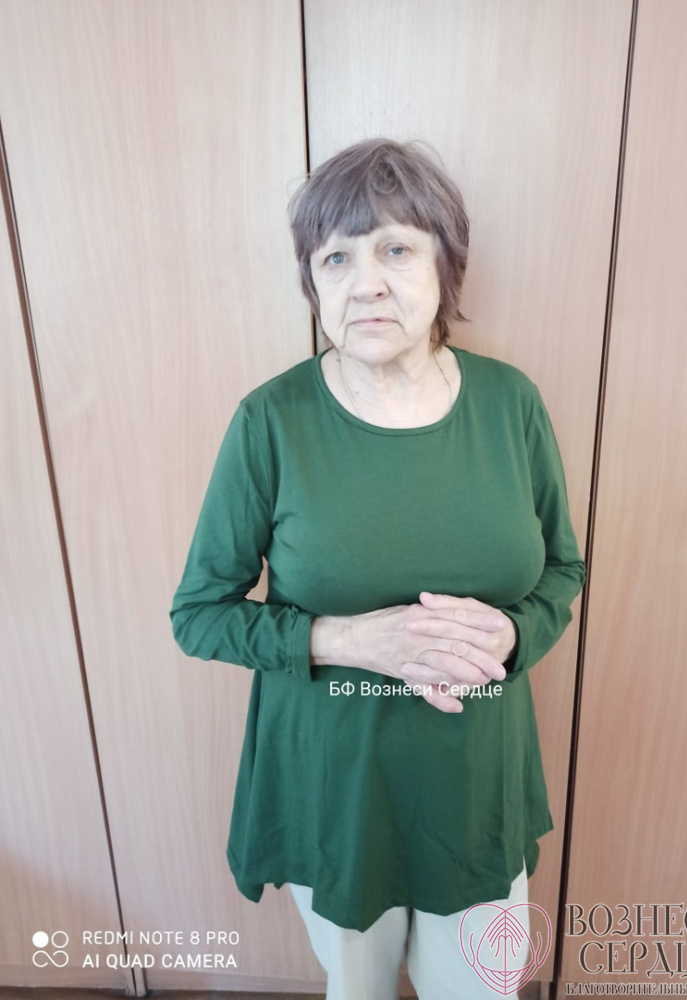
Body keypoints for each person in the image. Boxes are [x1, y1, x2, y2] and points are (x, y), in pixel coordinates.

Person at [170, 138, 585, 1000]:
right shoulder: (271, 422)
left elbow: (563, 571)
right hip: (338, 798)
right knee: (356, 988)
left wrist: (512, 636)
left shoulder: (512, 404)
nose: (365, 284)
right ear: (313, 283)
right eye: (336, 259)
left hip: (476, 790)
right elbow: (199, 613)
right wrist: (349, 640)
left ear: (445, 265)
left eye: (396, 249)